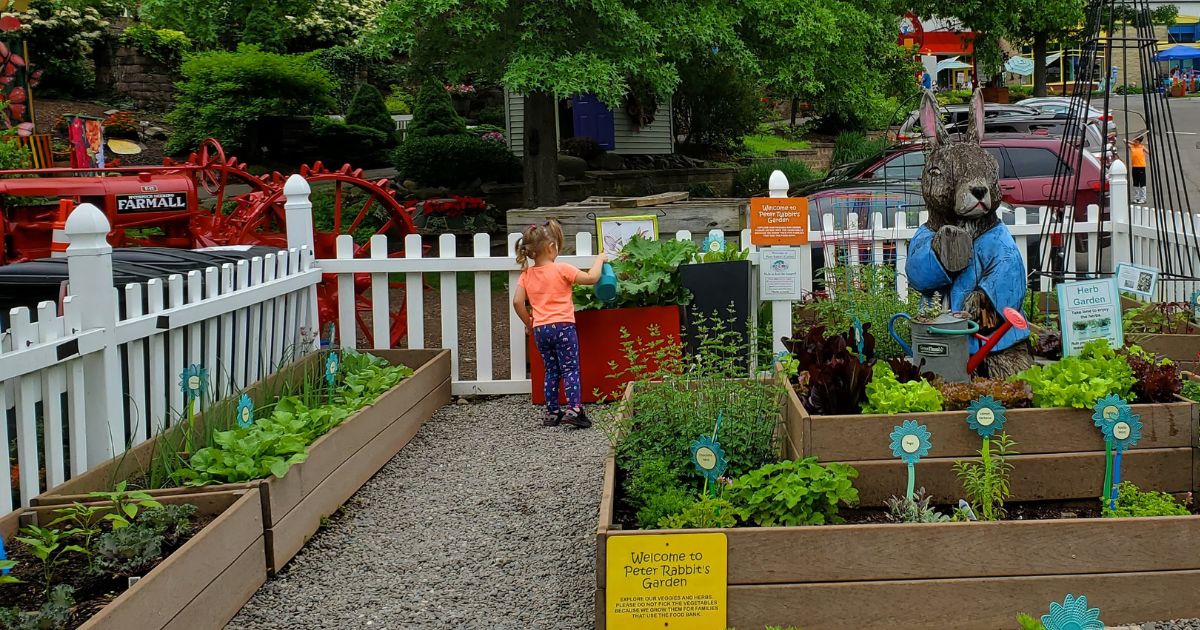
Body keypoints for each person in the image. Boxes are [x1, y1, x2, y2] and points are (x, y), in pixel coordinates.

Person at [512, 220, 607, 428]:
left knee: (551, 370)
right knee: (570, 368)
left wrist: (530, 323)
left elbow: (517, 302)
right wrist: (600, 259)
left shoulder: (526, 275)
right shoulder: (562, 269)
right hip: (563, 326)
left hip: (541, 329)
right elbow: (591, 278)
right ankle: (574, 409)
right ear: (551, 247)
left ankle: (552, 412)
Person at [1127, 134, 1148, 204]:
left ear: (1139, 142)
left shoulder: (1142, 147)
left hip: (1141, 166)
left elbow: (1148, 152)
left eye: (1136, 141)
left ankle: (1143, 198)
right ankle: (1137, 197)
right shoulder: (1132, 146)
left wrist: (1138, 143)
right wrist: (1133, 142)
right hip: (1134, 167)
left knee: (1142, 183)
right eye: (1134, 141)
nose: (1135, 142)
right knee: (1135, 183)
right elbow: (1125, 141)